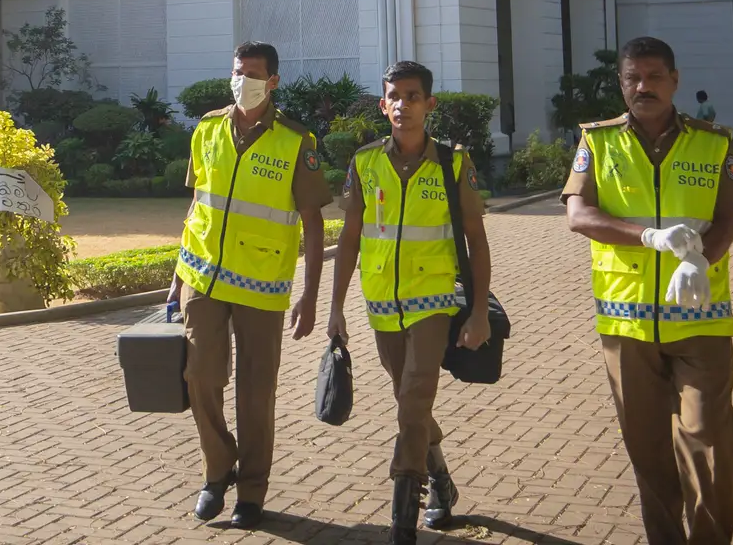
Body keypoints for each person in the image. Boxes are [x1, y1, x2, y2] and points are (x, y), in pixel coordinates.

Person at [563, 36, 733, 545]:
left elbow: (727, 221)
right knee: (648, 455)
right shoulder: (597, 142)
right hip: (626, 323)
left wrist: (698, 259)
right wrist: (649, 236)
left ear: (675, 80)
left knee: (708, 443)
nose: (642, 87)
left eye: (653, 77)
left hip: (700, 316)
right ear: (621, 83)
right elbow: (578, 215)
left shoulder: (713, 143)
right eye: (632, 78)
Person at [327, 60, 492, 545]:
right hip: (381, 303)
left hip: (433, 303)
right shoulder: (365, 162)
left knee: (415, 396)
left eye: (413, 96)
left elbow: (477, 241)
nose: (403, 105)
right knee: (409, 403)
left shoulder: (453, 163)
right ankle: (441, 482)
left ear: (429, 104)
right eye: (394, 96)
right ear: (383, 105)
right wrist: (336, 308)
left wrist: (479, 310)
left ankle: (403, 515)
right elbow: (350, 241)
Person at [165, 41, 328, 529]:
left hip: (261, 285)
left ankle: (251, 491)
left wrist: (311, 294)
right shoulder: (208, 129)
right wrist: (177, 276)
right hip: (202, 278)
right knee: (200, 378)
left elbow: (313, 223)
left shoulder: (296, 141)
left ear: (273, 82)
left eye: (253, 74)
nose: (243, 80)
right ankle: (218, 470)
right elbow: (197, 205)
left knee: (257, 393)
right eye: (238, 71)